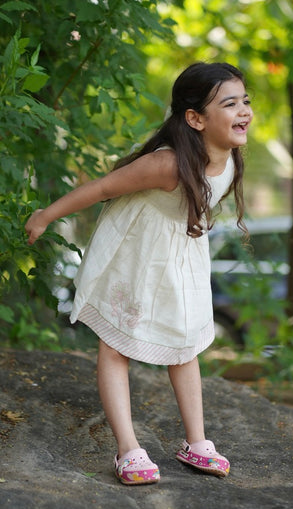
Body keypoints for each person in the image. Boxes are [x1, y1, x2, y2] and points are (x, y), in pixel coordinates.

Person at [25, 62, 253, 485]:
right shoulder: (166, 164)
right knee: (116, 345)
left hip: (181, 252)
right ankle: (128, 448)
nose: (243, 111)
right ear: (195, 119)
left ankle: (196, 441)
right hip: (135, 250)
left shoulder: (232, 159)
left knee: (185, 341)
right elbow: (101, 189)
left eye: (245, 101)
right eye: (230, 103)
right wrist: (46, 215)